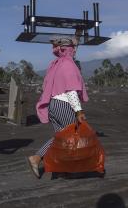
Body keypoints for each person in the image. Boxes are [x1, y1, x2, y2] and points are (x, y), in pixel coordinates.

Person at [26, 36, 88, 178]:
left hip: (53, 105)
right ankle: (37, 158)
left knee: (62, 138)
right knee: (70, 136)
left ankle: (60, 169)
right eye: (73, 49)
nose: (74, 51)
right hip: (64, 104)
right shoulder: (68, 65)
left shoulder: (56, 64)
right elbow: (71, 90)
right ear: (69, 50)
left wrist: (76, 37)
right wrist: (79, 110)